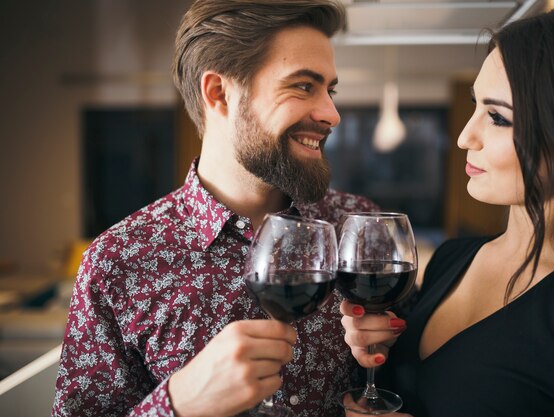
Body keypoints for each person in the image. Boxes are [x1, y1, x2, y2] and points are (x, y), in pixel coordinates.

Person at [52, 1, 379, 416]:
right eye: (303, 86)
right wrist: (178, 405)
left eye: (329, 90)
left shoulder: (356, 224)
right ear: (219, 93)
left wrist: (392, 363)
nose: (332, 114)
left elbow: (415, 377)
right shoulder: (116, 262)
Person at [341, 9, 554, 417]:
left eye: (497, 117)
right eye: (476, 106)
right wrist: (378, 345)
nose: (463, 137)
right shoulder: (452, 259)